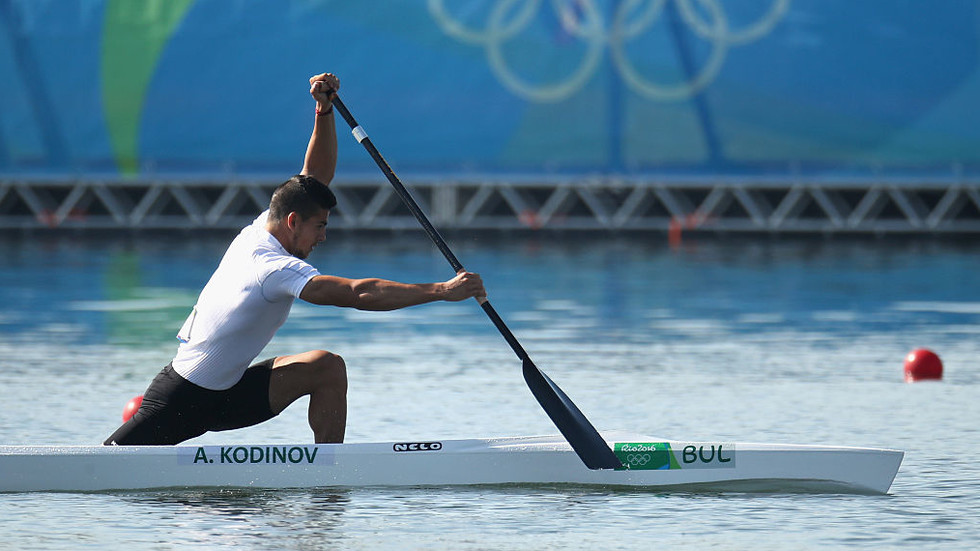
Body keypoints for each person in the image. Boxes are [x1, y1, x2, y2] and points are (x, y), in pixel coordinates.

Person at [104, 72, 486, 445]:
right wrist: (440, 290)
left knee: (326, 367)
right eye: (319, 226)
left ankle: (327, 477)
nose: (323, 235)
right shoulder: (272, 268)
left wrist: (324, 111)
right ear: (292, 221)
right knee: (107, 465)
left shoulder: (263, 227)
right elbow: (358, 293)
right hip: (183, 398)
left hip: (230, 393)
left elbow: (313, 178)